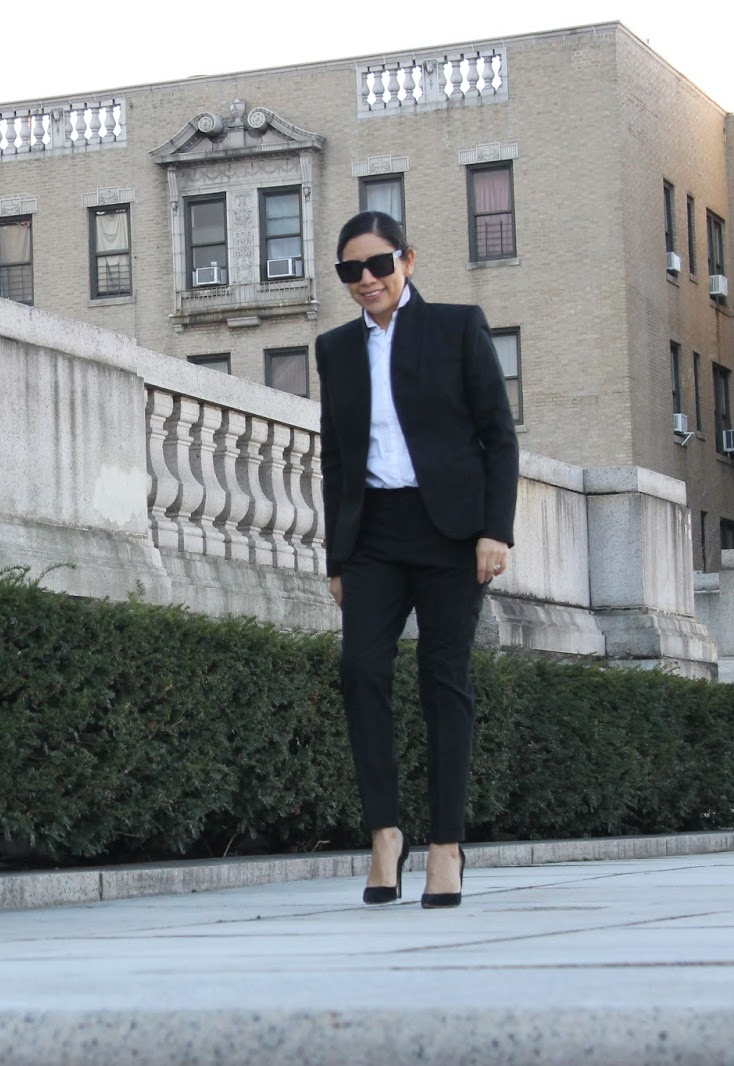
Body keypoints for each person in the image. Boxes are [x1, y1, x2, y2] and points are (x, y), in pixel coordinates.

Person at [314, 211, 518, 908]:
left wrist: (495, 530)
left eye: (379, 264)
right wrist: (337, 558)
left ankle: (446, 846)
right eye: (351, 270)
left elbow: (498, 435)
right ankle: (385, 836)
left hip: (450, 532)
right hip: (372, 534)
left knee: (443, 680)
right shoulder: (336, 348)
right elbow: (335, 458)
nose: (366, 279)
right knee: (361, 670)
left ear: (408, 259)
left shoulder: (457, 327)